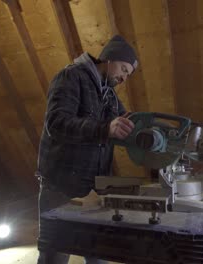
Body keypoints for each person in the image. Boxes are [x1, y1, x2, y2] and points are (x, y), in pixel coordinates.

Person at [36, 35, 138, 264]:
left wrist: (143, 130)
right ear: (109, 59)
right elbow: (57, 123)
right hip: (61, 185)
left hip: (93, 189)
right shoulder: (71, 77)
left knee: (98, 253)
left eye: (127, 74)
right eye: (123, 69)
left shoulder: (109, 94)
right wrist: (105, 129)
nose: (123, 77)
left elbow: (125, 122)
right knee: (55, 253)